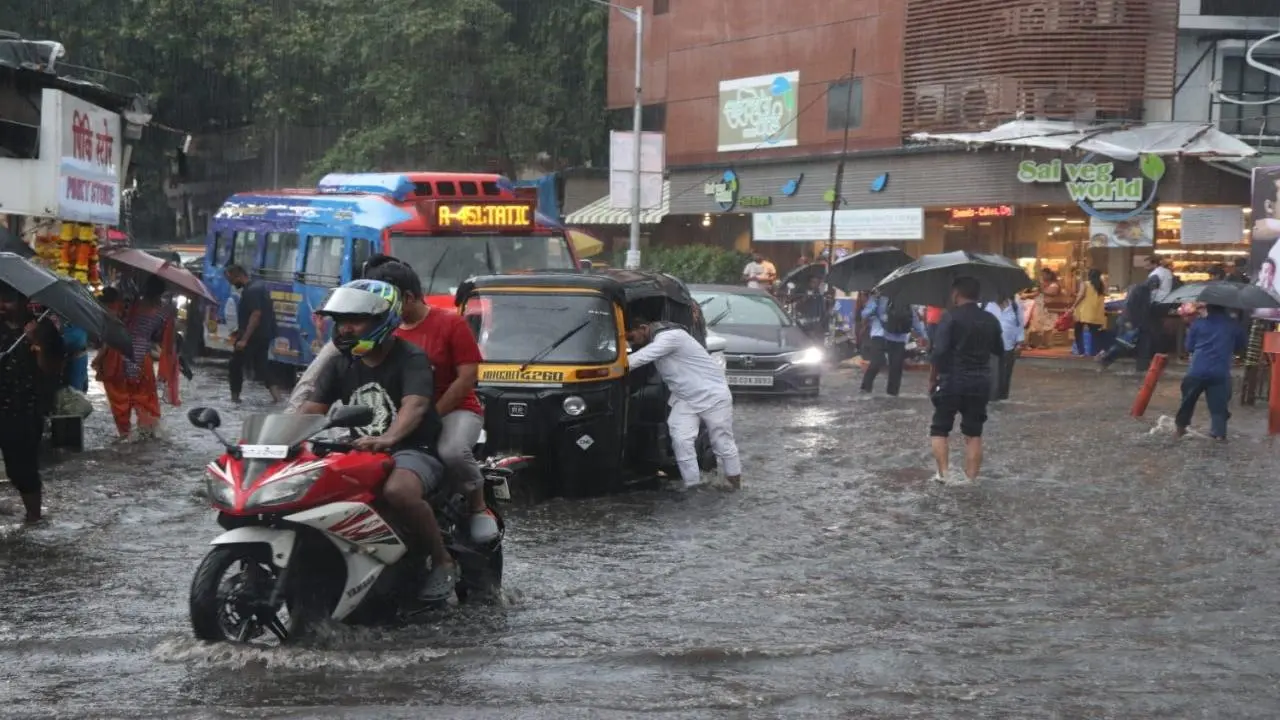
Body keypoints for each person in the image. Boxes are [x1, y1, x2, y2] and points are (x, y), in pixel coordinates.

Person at [297, 279, 457, 601]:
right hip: (360, 451)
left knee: (399, 491)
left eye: (354, 321)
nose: (344, 330)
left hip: (413, 449)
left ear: (381, 321)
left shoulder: (410, 358)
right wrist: (277, 441)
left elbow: (416, 405)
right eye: (340, 322)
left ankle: (443, 561)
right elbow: (311, 409)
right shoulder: (340, 362)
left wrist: (390, 437)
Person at [363, 259, 499, 543]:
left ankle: (478, 504)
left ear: (408, 297)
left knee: (451, 451)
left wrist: (431, 414)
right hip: (402, 412)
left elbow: (467, 379)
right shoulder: (383, 331)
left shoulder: (450, 323)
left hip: (455, 410)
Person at [626, 317, 742, 490]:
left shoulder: (671, 337)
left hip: (712, 396)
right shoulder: (660, 339)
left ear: (643, 328)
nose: (630, 342)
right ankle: (693, 486)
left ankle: (735, 486)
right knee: (681, 440)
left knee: (722, 442)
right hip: (685, 399)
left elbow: (637, 360)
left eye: (631, 337)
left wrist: (607, 364)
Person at [929, 277, 1004, 485]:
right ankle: (970, 480)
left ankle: (943, 475)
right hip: (980, 383)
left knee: (939, 429)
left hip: (952, 381)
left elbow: (940, 352)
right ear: (978, 295)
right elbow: (999, 349)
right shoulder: (991, 320)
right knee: (974, 432)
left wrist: (932, 379)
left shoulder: (949, 317)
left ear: (956, 294)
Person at [0, 282, 64, 522]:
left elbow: (52, 369)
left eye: (7, 300)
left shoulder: (43, 329)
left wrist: (37, 343)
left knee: (22, 470)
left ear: (24, 301)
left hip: (24, 411)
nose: (1, 306)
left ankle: (34, 517)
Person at [94, 276, 168, 438]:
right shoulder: (162, 313)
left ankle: (124, 434)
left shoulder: (130, 305)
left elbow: (112, 324)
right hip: (142, 359)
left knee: (119, 398)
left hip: (118, 354)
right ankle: (147, 432)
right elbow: (159, 337)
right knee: (145, 398)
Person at [1176, 304, 1245, 441]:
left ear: (1208, 308)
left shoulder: (1198, 324)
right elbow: (1240, 345)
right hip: (1220, 372)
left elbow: (1189, 347)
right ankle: (1218, 435)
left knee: (1187, 402)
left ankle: (1180, 430)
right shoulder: (1234, 326)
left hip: (1197, 370)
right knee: (1219, 408)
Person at [224, 264, 283, 404]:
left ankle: (235, 398)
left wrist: (244, 339)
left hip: (253, 335)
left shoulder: (251, 291)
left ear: (238, 276)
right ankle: (277, 398)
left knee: (235, 365)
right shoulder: (259, 286)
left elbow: (256, 314)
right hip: (264, 334)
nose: (231, 283)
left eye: (230, 279)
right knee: (261, 366)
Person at [860, 291, 926, 397]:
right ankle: (865, 389)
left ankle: (892, 396)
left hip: (899, 337)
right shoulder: (878, 298)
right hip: (880, 334)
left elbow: (913, 319)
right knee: (877, 361)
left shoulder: (907, 299)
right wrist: (874, 303)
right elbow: (865, 314)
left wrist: (924, 336)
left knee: (896, 367)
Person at [982, 294, 1024, 401]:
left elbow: (1020, 322)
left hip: (1009, 344)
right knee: (993, 373)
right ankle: (992, 398)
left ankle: (1002, 397)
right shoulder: (985, 303)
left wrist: (1020, 342)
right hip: (990, 345)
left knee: (1005, 374)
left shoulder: (1015, 302)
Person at [1071, 269, 1107, 356]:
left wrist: (1073, 306)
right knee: (1095, 333)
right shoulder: (1102, 286)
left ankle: (1081, 352)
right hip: (1096, 312)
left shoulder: (1085, 284)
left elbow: (1081, 296)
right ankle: (1098, 351)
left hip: (1083, 311)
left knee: (1078, 331)